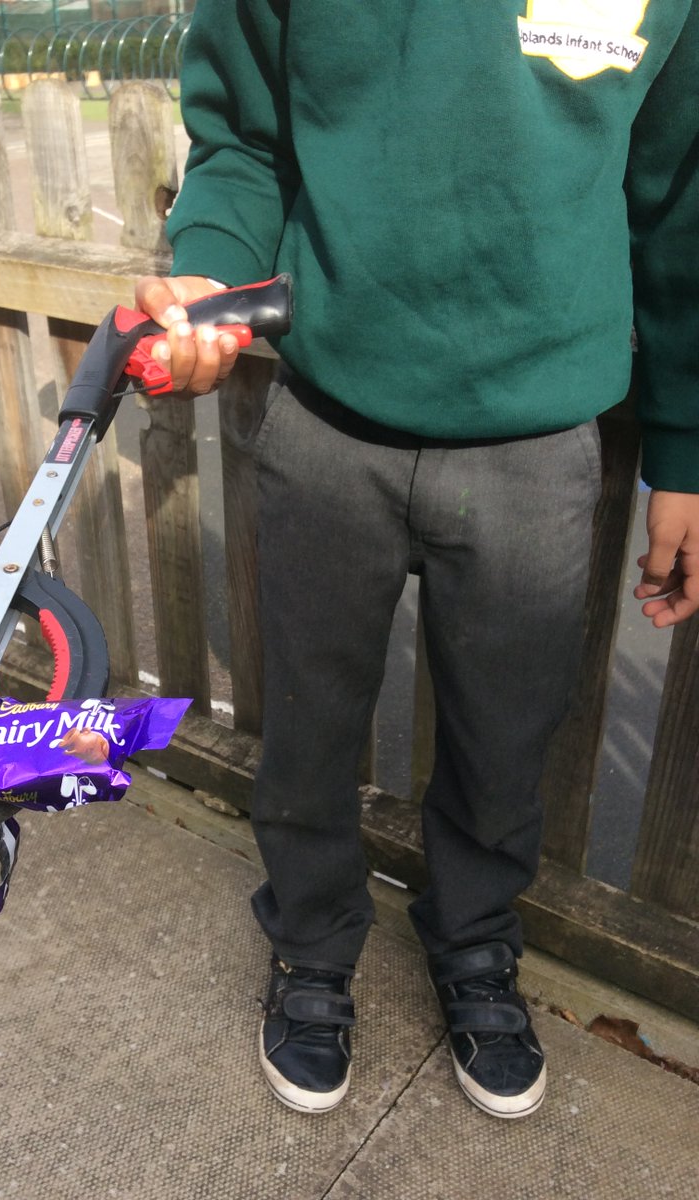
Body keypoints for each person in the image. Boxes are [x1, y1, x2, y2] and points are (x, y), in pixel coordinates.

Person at [134, 0, 699, 1119]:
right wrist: (210, 272)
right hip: (327, 417)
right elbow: (241, 135)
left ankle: (476, 942)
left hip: (538, 435)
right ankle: (309, 942)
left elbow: (679, 197)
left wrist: (681, 446)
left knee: (505, 738)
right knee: (308, 726)